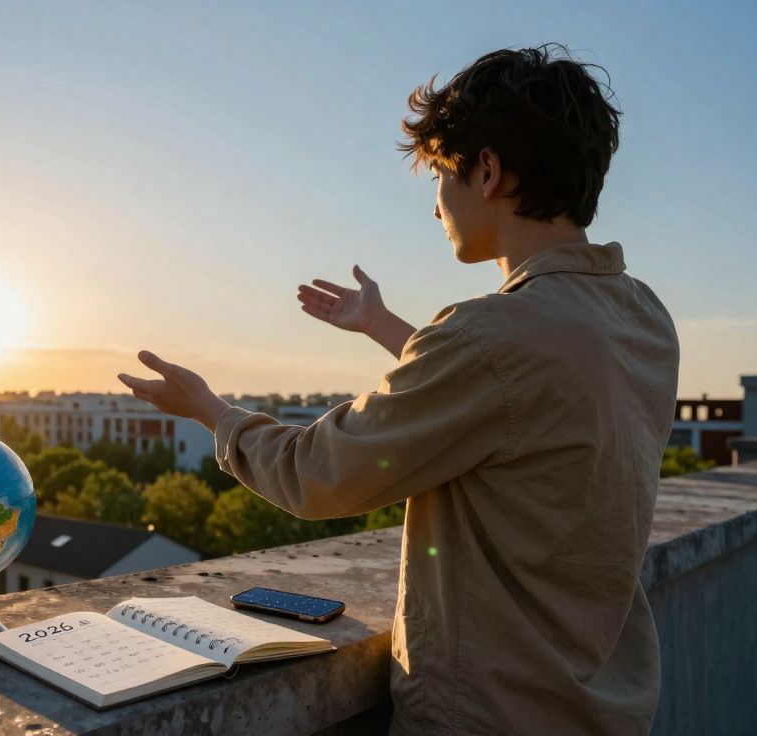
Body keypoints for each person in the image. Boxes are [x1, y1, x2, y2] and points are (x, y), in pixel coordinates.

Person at [118, 43, 677, 735]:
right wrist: (383, 325)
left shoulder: (491, 337)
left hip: (492, 714)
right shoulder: (640, 315)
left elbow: (318, 477)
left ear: (489, 171)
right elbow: (515, 402)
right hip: (602, 705)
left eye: (443, 174)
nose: (436, 205)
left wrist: (210, 411)